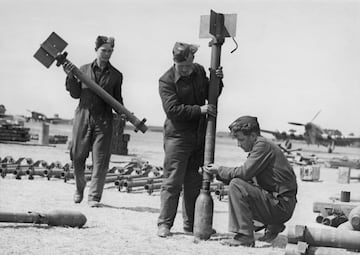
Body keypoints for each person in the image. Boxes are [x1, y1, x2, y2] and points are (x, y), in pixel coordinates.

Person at [157, 42, 223, 237]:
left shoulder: (199, 71)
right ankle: (164, 224)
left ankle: (192, 225)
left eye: (188, 66)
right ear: (174, 62)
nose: (186, 70)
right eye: (181, 67)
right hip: (177, 137)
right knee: (172, 181)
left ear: (193, 61)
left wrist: (217, 81)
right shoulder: (166, 80)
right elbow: (172, 110)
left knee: (194, 182)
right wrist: (199, 110)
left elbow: (211, 95)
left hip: (199, 135)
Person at [205, 116, 297, 247]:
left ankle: (244, 236)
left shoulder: (262, 146)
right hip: (282, 203)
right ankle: (272, 225)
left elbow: (244, 173)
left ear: (253, 135)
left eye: (241, 139)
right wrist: (217, 175)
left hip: (282, 206)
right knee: (241, 183)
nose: (238, 144)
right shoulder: (262, 145)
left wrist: (219, 170)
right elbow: (247, 177)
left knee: (236, 185)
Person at [63, 36, 123, 207]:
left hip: (104, 121)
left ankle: (94, 197)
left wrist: (124, 112)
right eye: (104, 50)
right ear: (96, 50)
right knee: (77, 157)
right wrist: (71, 77)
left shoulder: (116, 75)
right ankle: (79, 188)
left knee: (101, 160)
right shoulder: (82, 70)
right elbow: (75, 94)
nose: (107, 54)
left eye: (110, 50)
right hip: (83, 117)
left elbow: (117, 99)